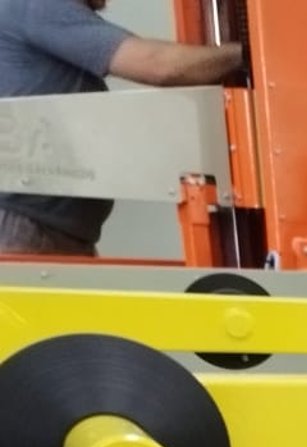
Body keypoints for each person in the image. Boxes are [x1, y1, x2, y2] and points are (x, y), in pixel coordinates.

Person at [0, 0, 242, 256]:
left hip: (49, 227)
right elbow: (159, 65)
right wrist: (246, 52)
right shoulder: (38, 4)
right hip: (26, 226)